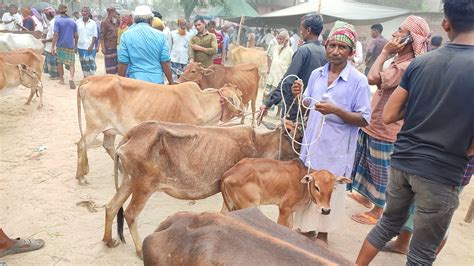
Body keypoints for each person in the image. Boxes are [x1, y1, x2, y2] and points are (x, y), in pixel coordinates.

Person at [356, 0, 474, 264]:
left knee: (386, 225)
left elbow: (390, 114)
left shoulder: (420, 64)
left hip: (403, 162)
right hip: (442, 172)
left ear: (445, 24)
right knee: (421, 252)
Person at [290, 21, 371, 245]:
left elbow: (364, 119)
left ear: (351, 52)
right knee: (310, 187)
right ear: (326, 47)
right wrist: (298, 95)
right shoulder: (316, 74)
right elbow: (307, 103)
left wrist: (337, 111)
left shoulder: (359, 81)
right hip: (313, 143)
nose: (335, 51)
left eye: (342, 47)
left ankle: (324, 234)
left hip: (336, 148)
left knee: (331, 189)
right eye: (332, 45)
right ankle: (306, 229)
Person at [348, 16, 431, 225]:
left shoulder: (406, 66)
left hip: (386, 128)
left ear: (411, 39)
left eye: (400, 32)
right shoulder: (400, 61)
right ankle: (369, 198)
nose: (395, 34)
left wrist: (385, 51)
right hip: (376, 123)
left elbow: (372, 78)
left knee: (381, 171)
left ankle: (377, 211)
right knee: (369, 164)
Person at [261, 14, 327, 122]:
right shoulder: (325, 52)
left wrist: (268, 103)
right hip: (313, 109)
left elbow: (288, 80)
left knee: (288, 136)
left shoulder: (303, 50)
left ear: (308, 30)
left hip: (295, 109)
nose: (300, 32)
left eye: (302, 29)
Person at [118, 5, 173, 85]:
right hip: (156, 83)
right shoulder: (161, 36)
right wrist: (171, 82)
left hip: (136, 83)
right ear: (151, 20)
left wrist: (120, 84)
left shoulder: (126, 35)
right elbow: (165, 62)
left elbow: (123, 63)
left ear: (134, 20)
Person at [263, 30, 293, 116]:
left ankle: (278, 113)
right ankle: (265, 111)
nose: (279, 41)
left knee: (280, 95)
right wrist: (269, 69)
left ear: (286, 40)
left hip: (281, 76)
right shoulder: (275, 48)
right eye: (278, 39)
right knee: (267, 93)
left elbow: (291, 65)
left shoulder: (290, 51)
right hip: (272, 75)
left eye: (281, 39)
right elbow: (271, 58)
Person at [51, 4, 78, 90]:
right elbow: (76, 35)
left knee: (60, 62)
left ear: (58, 11)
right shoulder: (73, 21)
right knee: (71, 63)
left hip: (60, 45)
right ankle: (71, 78)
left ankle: (62, 80)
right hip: (70, 45)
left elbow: (56, 34)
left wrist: (52, 46)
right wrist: (76, 45)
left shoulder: (57, 21)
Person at [76, 6, 98, 78]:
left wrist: (91, 46)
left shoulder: (93, 23)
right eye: (83, 11)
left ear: (89, 13)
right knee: (83, 63)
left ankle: (92, 77)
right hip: (80, 46)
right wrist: (75, 46)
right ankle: (86, 77)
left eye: (86, 11)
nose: (84, 12)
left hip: (90, 47)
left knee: (90, 63)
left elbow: (95, 36)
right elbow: (76, 35)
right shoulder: (78, 22)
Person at [100, 6, 119, 74]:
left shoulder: (115, 22)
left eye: (114, 12)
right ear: (109, 13)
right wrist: (103, 47)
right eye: (111, 12)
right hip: (108, 47)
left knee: (115, 66)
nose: (114, 14)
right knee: (109, 66)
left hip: (115, 46)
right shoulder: (104, 22)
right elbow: (102, 36)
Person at [42, 7, 59, 80]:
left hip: (52, 45)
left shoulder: (53, 23)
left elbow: (54, 37)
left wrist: (45, 40)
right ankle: (53, 74)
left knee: (53, 60)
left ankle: (55, 75)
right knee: (51, 60)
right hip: (49, 45)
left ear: (48, 15)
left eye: (45, 14)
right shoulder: (51, 22)